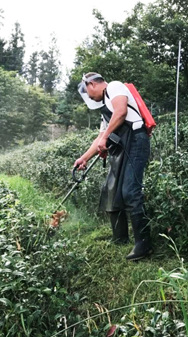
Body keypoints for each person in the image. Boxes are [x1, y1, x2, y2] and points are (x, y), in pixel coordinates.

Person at [74, 72, 152, 261]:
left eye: (89, 93)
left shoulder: (115, 87)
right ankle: (121, 238)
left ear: (92, 84)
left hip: (136, 140)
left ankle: (144, 245)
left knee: (130, 191)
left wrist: (107, 135)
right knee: (115, 190)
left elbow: (121, 112)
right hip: (125, 146)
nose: (91, 98)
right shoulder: (105, 109)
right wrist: (83, 158)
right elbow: (101, 137)